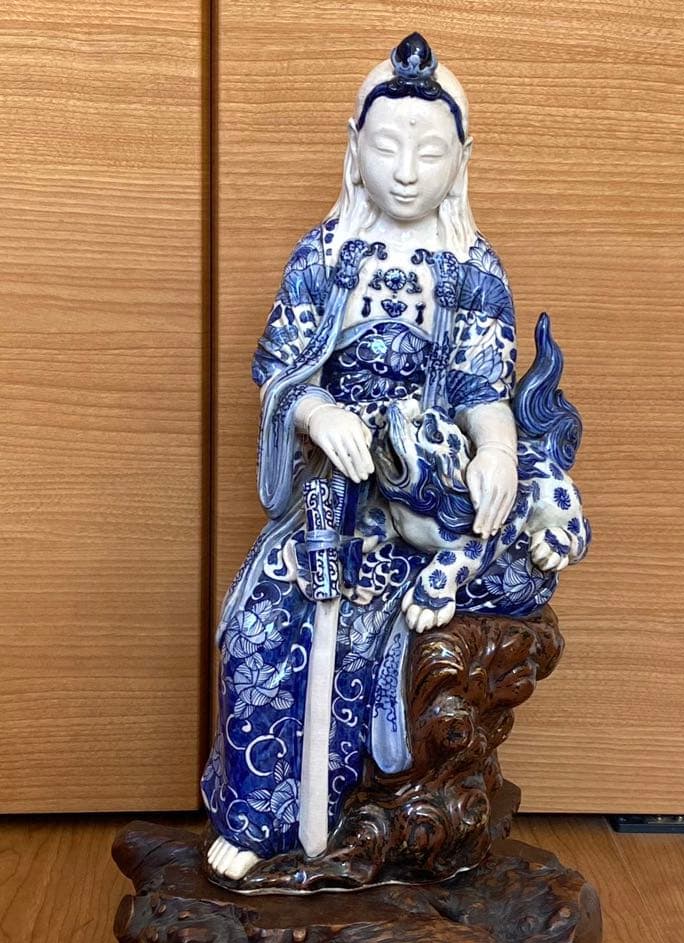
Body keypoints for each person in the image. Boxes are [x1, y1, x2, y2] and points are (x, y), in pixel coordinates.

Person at [202, 32, 588, 882]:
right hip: (330, 504)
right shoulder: (325, 257)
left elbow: (482, 385)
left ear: (461, 160)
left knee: (368, 645)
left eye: (429, 152)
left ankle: (357, 829)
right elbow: (278, 367)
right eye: (386, 148)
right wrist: (316, 411)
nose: (406, 173)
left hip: (419, 500)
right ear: (354, 148)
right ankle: (262, 818)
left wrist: (496, 450)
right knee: (258, 630)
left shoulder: (471, 270)